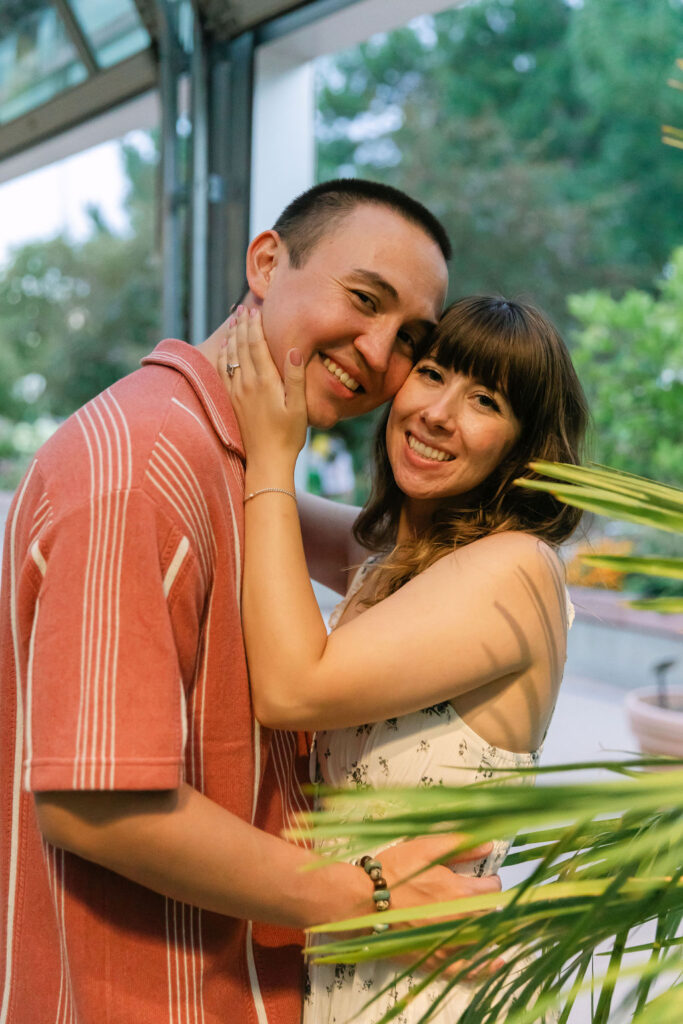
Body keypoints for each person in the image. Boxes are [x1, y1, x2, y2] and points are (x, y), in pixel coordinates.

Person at [0, 180, 503, 1024]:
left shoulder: (234, 465)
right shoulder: (136, 465)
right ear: (266, 261)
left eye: (410, 339)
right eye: (362, 299)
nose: (380, 353)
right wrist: (370, 895)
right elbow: (98, 805)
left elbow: (384, 559)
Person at [219, 294, 588, 1022]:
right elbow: (244, 508)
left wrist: (272, 450)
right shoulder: (390, 564)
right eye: (430, 374)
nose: (439, 413)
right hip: (358, 969)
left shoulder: (516, 569)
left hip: (438, 989)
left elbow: (293, 690)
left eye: (484, 399)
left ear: (521, 446)